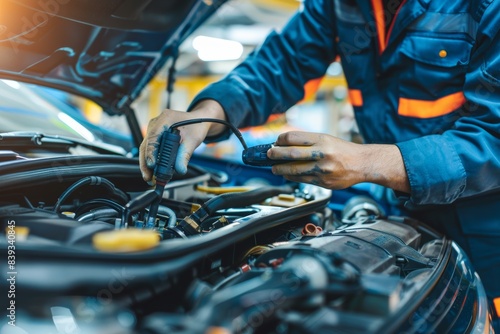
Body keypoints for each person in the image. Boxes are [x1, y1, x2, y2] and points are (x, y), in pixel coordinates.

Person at [140, 0, 500, 328]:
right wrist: (205, 115)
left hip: (487, 234)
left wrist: (365, 162)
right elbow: (282, 63)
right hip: (406, 216)